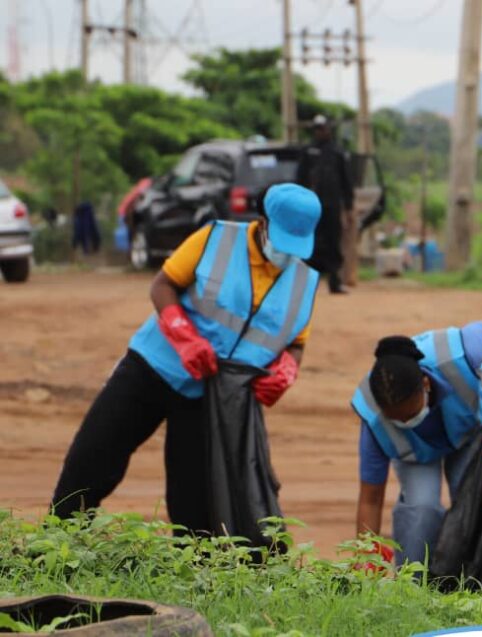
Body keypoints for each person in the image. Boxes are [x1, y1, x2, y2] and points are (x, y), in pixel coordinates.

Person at [51, 184, 322, 533]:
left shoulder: (304, 281)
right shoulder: (216, 238)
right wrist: (184, 337)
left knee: (194, 505)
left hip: (209, 397)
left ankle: (189, 573)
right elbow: (162, 285)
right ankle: (57, 543)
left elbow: (296, 341)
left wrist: (288, 368)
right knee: (92, 458)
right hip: (152, 367)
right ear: (263, 221)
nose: (286, 254)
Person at [351, 322, 482, 565]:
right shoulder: (373, 418)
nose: (407, 422)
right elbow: (370, 498)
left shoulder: (460, 355)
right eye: (397, 419)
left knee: (473, 506)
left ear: (426, 386)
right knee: (420, 509)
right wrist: (365, 558)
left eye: (411, 413)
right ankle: (412, 587)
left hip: (469, 429)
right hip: (418, 454)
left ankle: (476, 590)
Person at [297, 114, 355, 294]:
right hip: (311, 207)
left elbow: (347, 181)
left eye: (323, 128)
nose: (320, 132)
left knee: (333, 242)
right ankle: (307, 284)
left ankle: (334, 281)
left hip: (331, 206)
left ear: (329, 130)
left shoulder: (338, 153)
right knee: (310, 244)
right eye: (317, 129)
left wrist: (348, 207)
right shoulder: (308, 152)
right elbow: (299, 179)